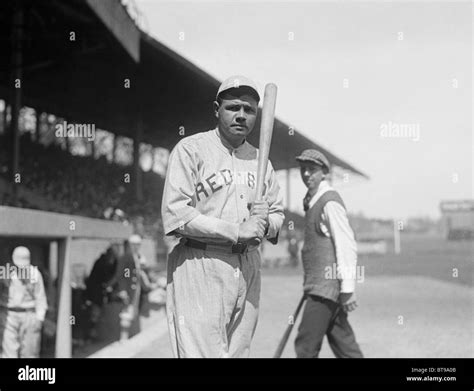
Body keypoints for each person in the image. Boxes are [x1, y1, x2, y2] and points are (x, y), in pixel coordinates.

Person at [162, 75, 285, 358]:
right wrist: (236, 230)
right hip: (201, 262)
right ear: (217, 108)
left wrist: (265, 223)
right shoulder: (191, 149)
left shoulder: (261, 161)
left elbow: (277, 214)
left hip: (249, 265)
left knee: (238, 354)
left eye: (249, 109)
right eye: (233, 107)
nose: (241, 115)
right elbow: (175, 213)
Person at [294, 149, 363, 358]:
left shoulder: (329, 201)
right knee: (345, 346)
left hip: (325, 290)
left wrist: (348, 288)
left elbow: (346, 244)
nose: (306, 174)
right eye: (303, 169)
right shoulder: (313, 199)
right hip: (320, 287)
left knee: (306, 346)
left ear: (324, 172)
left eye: (312, 169)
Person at [0, 246, 48, 358]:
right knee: (8, 353)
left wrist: (39, 318)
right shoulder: (4, 272)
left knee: (30, 353)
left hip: (29, 315)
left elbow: (40, 296)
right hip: (9, 315)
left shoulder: (35, 274)